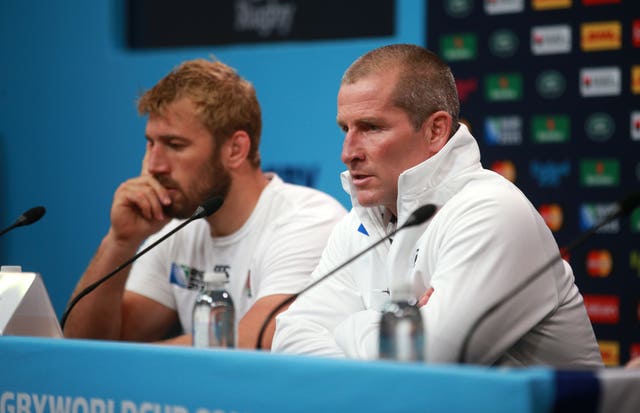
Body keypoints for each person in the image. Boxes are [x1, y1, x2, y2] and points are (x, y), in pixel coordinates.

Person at [272, 44, 603, 367]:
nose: (348, 152)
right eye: (346, 129)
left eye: (371, 127)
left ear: (435, 131)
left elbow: (427, 367)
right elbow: (290, 343)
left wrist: (347, 325)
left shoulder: (491, 212)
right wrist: (403, 322)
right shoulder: (357, 226)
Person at [63, 58, 346, 349]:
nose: (153, 164)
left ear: (235, 149)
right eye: (150, 143)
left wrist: (124, 360)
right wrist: (119, 242)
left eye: (175, 145)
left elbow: (258, 339)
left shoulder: (308, 219)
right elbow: (86, 346)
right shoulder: (173, 229)